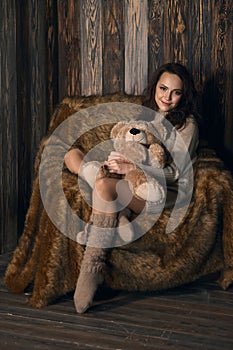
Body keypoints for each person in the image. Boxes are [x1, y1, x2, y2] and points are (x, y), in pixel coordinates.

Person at [64, 62, 200, 313]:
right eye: (162, 88)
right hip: (129, 178)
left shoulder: (187, 125)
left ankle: (92, 267)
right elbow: (126, 143)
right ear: (155, 87)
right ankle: (118, 213)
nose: (167, 97)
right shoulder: (144, 114)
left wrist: (133, 170)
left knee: (104, 186)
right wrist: (115, 162)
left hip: (161, 189)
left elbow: (176, 173)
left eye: (175, 92)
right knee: (73, 154)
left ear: (184, 95)